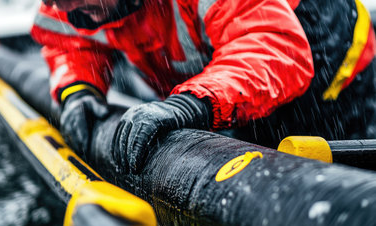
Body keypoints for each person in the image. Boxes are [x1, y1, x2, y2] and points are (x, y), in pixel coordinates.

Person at [31, 0, 376, 174]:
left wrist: (188, 105)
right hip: (233, 89)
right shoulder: (76, 5)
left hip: (336, 85)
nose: (61, 6)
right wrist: (78, 89)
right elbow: (68, 42)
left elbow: (269, 44)